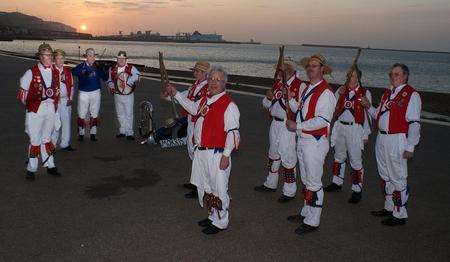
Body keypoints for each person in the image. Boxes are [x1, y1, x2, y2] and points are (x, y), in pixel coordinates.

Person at [165, 65, 240, 235]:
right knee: (208, 187)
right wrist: (176, 93)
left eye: (217, 80)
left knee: (219, 188)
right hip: (202, 152)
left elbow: (233, 133)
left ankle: (221, 221)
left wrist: (226, 155)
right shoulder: (206, 100)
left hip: (217, 153)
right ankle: (213, 215)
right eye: (211, 78)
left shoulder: (229, 105)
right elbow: (192, 108)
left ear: (224, 83)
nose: (213, 82)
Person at [360, 63, 421, 226]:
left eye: (396, 74)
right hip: (382, 138)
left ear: (405, 76)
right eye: (391, 74)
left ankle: (400, 214)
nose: (393, 77)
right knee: (385, 175)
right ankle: (388, 207)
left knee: (398, 176)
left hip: (397, 138)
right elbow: (377, 114)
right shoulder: (387, 93)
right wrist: (368, 106)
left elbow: (414, 123)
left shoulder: (411, 95)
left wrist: (410, 147)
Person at [286, 54, 336, 235]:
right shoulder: (308, 88)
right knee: (306, 180)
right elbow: (300, 110)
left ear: (322, 69)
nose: (310, 69)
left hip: (314, 142)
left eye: (314, 66)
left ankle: (313, 221)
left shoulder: (326, 93)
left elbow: (322, 120)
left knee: (314, 182)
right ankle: (306, 212)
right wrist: (290, 99)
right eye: (308, 66)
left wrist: (297, 125)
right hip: (304, 139)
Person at [254, 58, 304, 203]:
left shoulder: (299, 86)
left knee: (288, 158)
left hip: (287, 126)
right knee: (273, 154)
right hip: (274, 124)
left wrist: (288, 98)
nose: (283, 70)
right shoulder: (277, 84)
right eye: (282, 68)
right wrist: (269, 98)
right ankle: (271, 184)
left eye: (286, 68)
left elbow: (299, 109)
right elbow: (265, 104)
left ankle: (289, 191)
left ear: (291, 70)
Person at [161, 61, 210, 199]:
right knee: (192, 153)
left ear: (203, 73)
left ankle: (201, 187)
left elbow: (194, 108)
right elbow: (183, 98)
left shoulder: (206, 88)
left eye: (197, 71)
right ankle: (195, 182)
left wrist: (175, 93)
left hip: (200, 124)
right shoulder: (195, 86)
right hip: (191, 123)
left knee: (198, 156)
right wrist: (169, 96)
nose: (194, 73)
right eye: (194, 71)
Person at [324, 66, 372, 204]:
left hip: (355, 129)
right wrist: (339, 93)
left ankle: (357, 190)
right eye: (351, 76)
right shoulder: (341, 90)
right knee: (338, 156)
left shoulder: (365, 93)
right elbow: (331, 105)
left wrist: (366, 135)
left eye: (356, 77)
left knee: (355, 160)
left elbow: (367, 115)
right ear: (347, 77)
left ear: (359, 78)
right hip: (340, 126)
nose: (353, 79)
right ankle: (336, 182)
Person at [17, 43, 62, 180]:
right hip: (36, 110)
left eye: (50, 55)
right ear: (40, 57)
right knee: (35, 139)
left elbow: (57, 91)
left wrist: (55, 107)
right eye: (46, 55)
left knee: (47, 138)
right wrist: (32, 106)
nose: (49, 58)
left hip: (50, 109)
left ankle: (50, 165)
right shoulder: (31, 72)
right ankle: (31, 169)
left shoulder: (55, 71)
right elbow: (22, 94)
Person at [72, 48, 108, 142]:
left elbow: (105, 78)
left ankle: (93, 133)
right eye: (89, 55)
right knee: (81, 113)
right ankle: (81, 133)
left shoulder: (97, 67)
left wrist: (104, 70)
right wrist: (83, 72)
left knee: (94, 113)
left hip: (95, 92)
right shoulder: (81, 66)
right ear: (86, 56)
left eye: (93, 55)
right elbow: (73, 72)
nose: (91, 57)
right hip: (83, 92)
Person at [107, 51, 140, 140]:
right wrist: (111, 85)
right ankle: (122, 131)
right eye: (119, 58)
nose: (121, 60)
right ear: (117, 59)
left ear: (126, 60)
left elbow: (138, 76)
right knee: (120, 113)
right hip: (117, 94)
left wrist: (126, 82)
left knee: (129, 113)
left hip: (128, 95)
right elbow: (109, 80)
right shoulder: (112, 69)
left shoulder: (131, 68)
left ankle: (129, 133)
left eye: (122, 59)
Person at [51, 49, 75, 151]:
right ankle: (52, 145)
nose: (60, 61)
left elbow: (72, 86)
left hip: (65, 100)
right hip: (53, 102)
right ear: (54, 59)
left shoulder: (68, 72)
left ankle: (65, 144)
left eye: (62, 59)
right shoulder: (50, 71)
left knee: (66, 123)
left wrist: (70, 98)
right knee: (55, 124)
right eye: (58, 59)